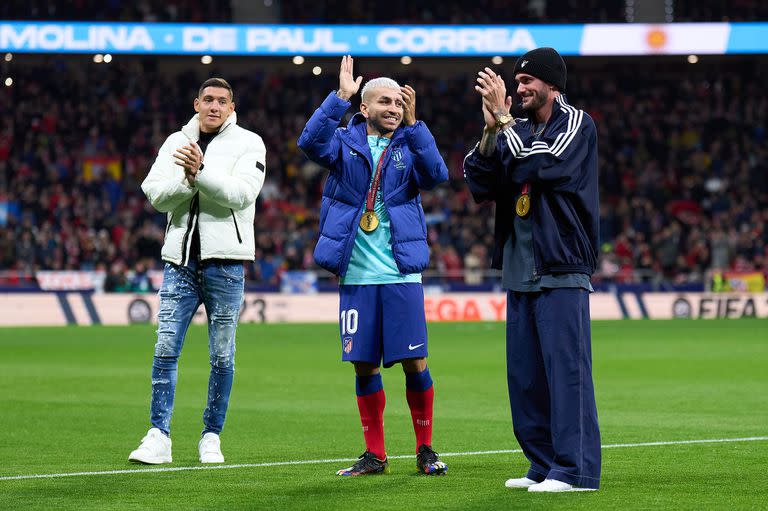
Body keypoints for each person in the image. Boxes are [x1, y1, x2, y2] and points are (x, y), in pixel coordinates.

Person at [297, 56, 449, 476]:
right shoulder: (343, 142)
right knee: (363, 364)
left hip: (401, 273)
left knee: (415, 362)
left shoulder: (410, 144)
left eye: (399, 103)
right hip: (357, 275)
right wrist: (338, 98)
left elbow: (437, 174)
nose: (394, 109)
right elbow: (308, 143)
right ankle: (375, 455)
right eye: (385, 102)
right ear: (364, 108)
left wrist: (416, 126)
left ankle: (425, 449)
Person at [463, 47, 601, 492]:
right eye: (516, 82)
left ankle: (575, 470)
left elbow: (542, 162)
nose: (519, 88)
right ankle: (542, 463)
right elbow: (479, 180)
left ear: (552, 84)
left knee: (567, 372)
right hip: (521, 268)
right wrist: (490, 131)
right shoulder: (513, 130)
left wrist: (503, 123)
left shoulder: (576, 124)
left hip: (561, 265)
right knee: (525, 377)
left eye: (527, 82)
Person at [129, 78, 266, 465]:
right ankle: (159, 435)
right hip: (179, 263)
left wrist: (199, 172)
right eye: (208, 99)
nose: (214, 106)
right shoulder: (175, 141)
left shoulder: (249, 143)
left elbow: (242, 195)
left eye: (222, 101)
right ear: (196, 103)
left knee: (222, 355)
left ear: (231, 106)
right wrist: (191, 180)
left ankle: (211, 436)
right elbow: (155, 194)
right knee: (165, 349)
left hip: (226, 265)